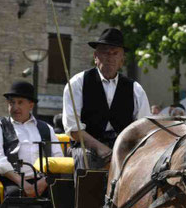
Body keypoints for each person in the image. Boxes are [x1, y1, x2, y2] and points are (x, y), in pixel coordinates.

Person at [62, 27, 150, 169]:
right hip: (86, 146)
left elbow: (143, 128)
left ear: (122, 60)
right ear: (95, 57)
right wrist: (101, 148)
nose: (110, 57)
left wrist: (122, 148)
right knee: (87, 159)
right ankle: (87, 192)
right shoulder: (77, 83)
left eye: (115, 53)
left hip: (123, 146)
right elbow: (74, 129)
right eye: (105, 52)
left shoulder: (136, 89)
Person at [0, 81, 63, 198]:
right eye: (11, 102)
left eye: (20, 102)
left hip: (44, 181)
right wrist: (23, 183)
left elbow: (58, 159)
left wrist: (44, 182)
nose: (15, 107)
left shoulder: (46, 128)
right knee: (14, 196)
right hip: (11, 180)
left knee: (65, 196)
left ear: (31, 105)